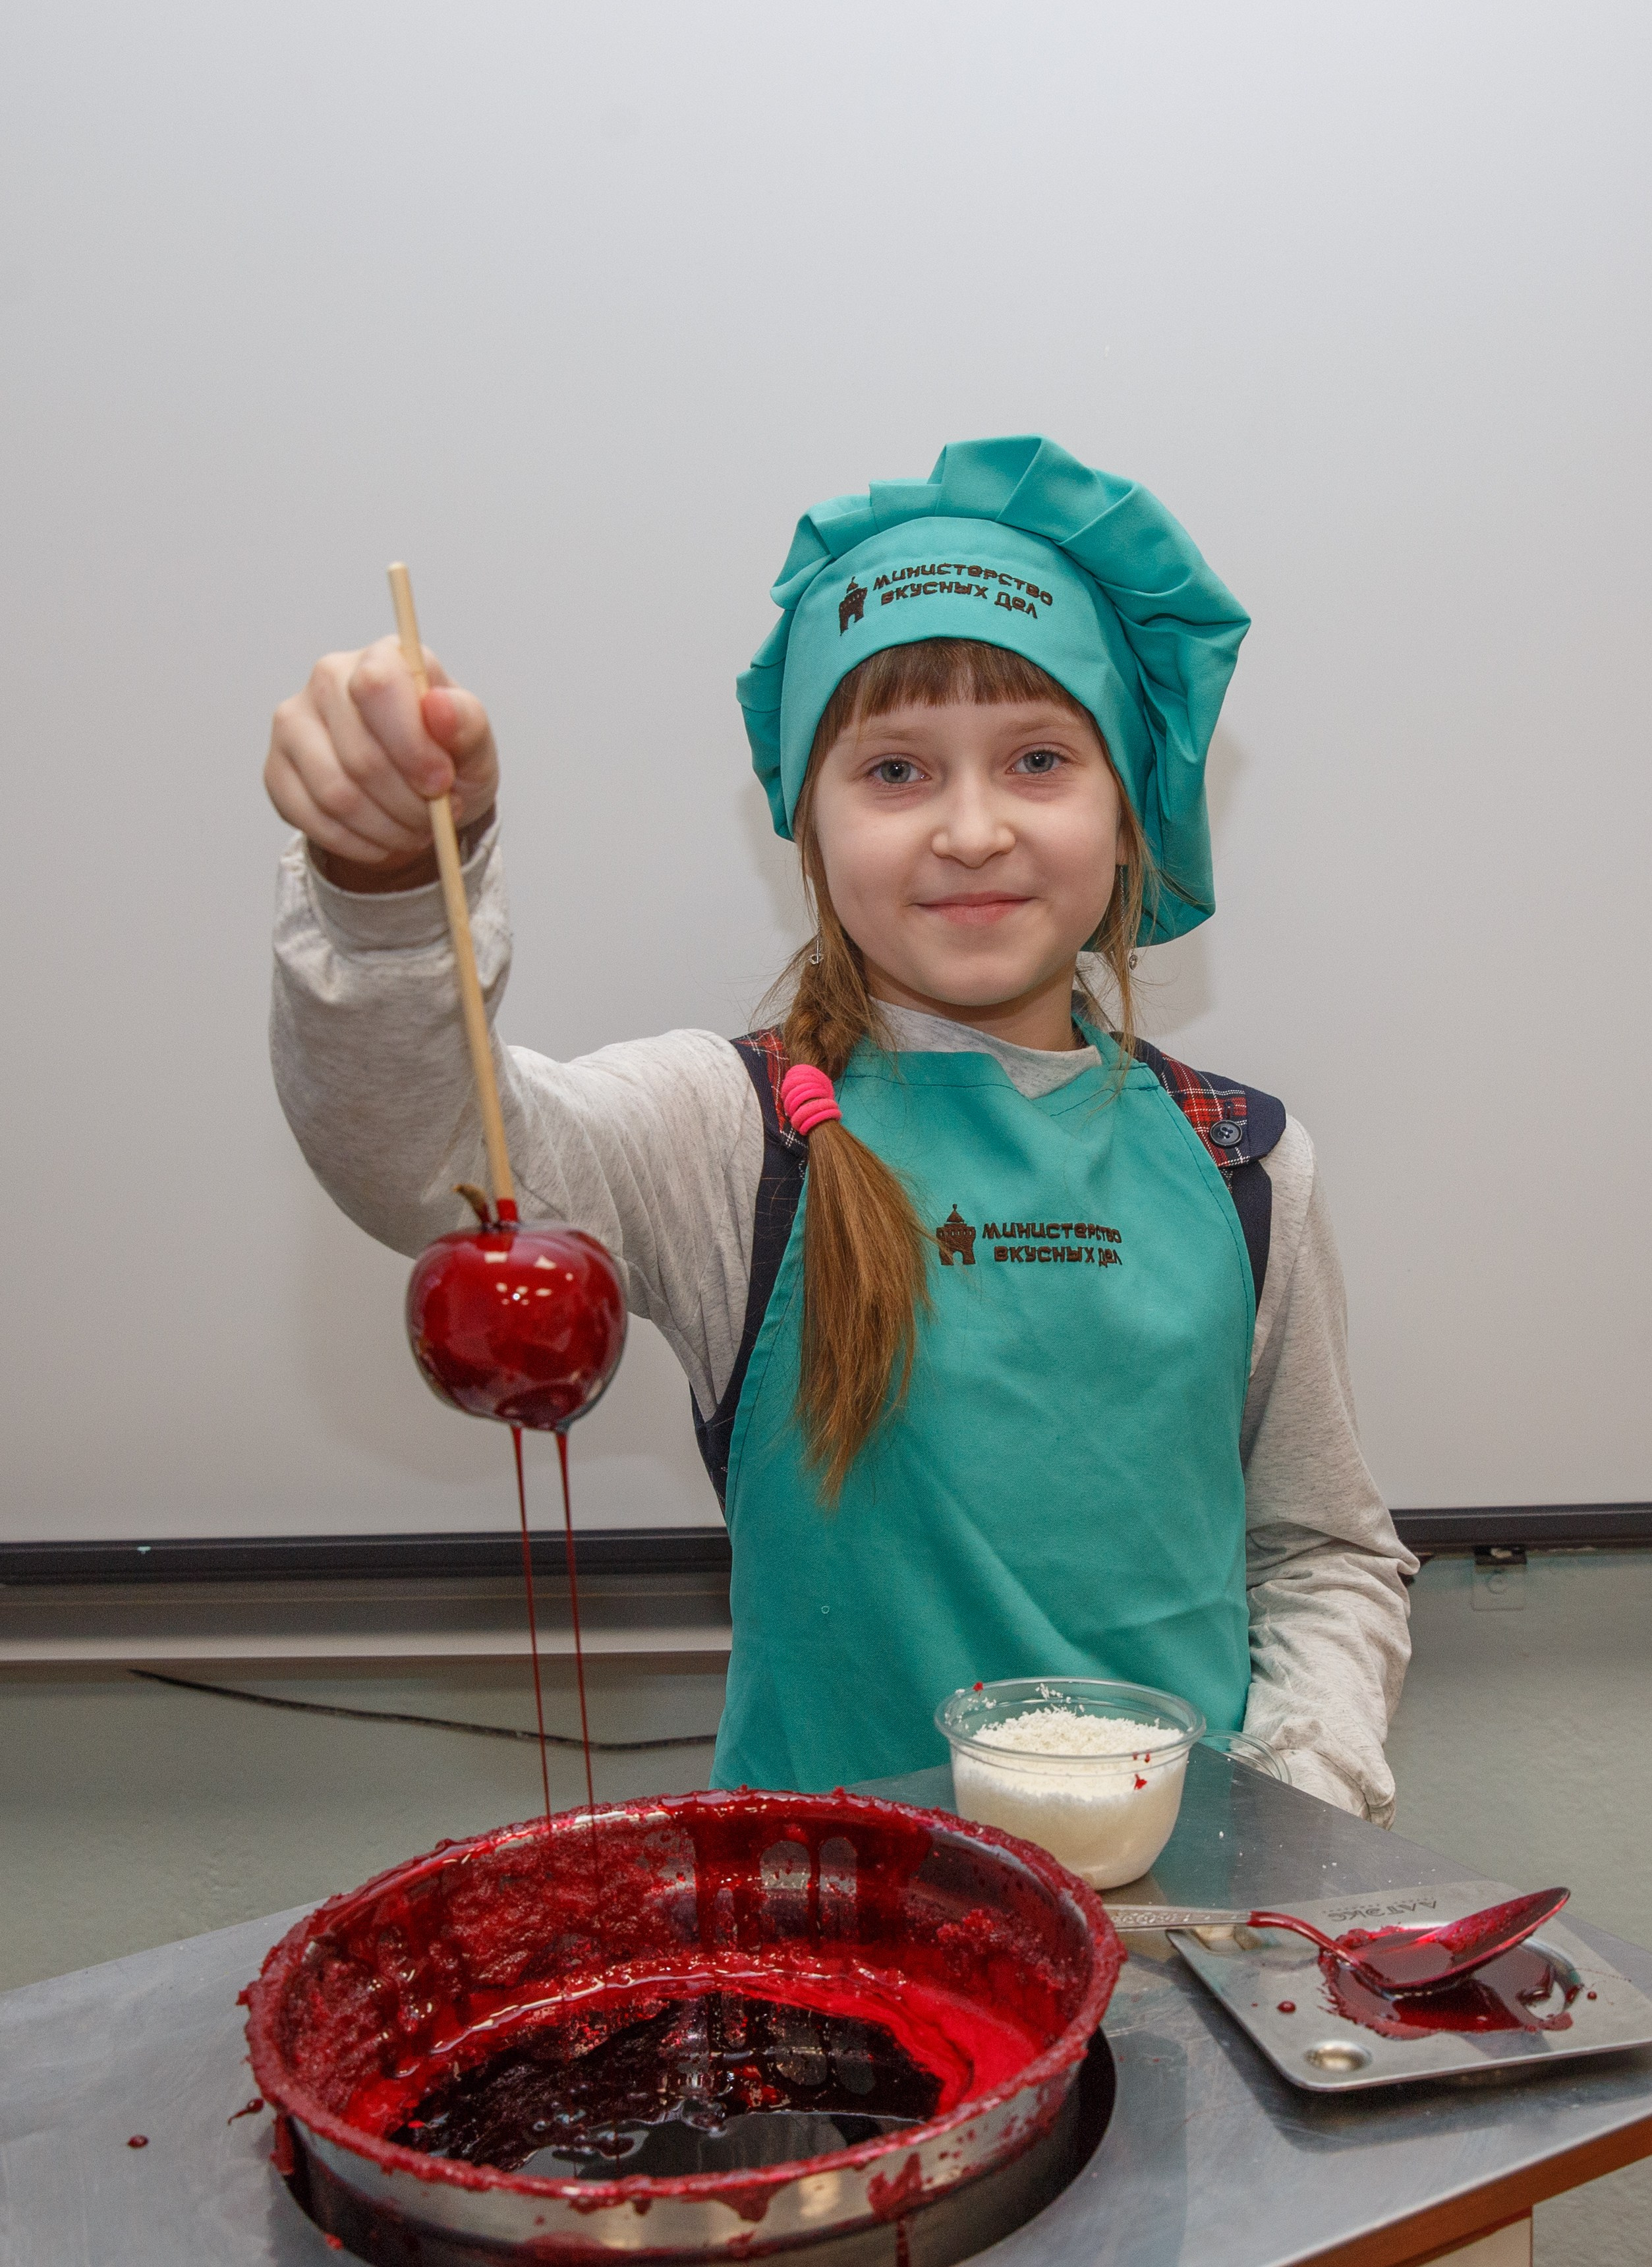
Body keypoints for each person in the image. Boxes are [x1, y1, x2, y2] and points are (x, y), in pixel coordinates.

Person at [266, 434, 1415, 1818]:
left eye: (1041, 759)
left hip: (1178, 1935)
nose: (974, 829)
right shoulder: (731, 1135)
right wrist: (386, 885)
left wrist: (1291, 1811)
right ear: (808, 824)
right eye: (897, 772)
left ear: (1132, 811)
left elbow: (1322, 1555)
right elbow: (425, 1156)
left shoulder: (1245, 1161)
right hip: (817, 1962)